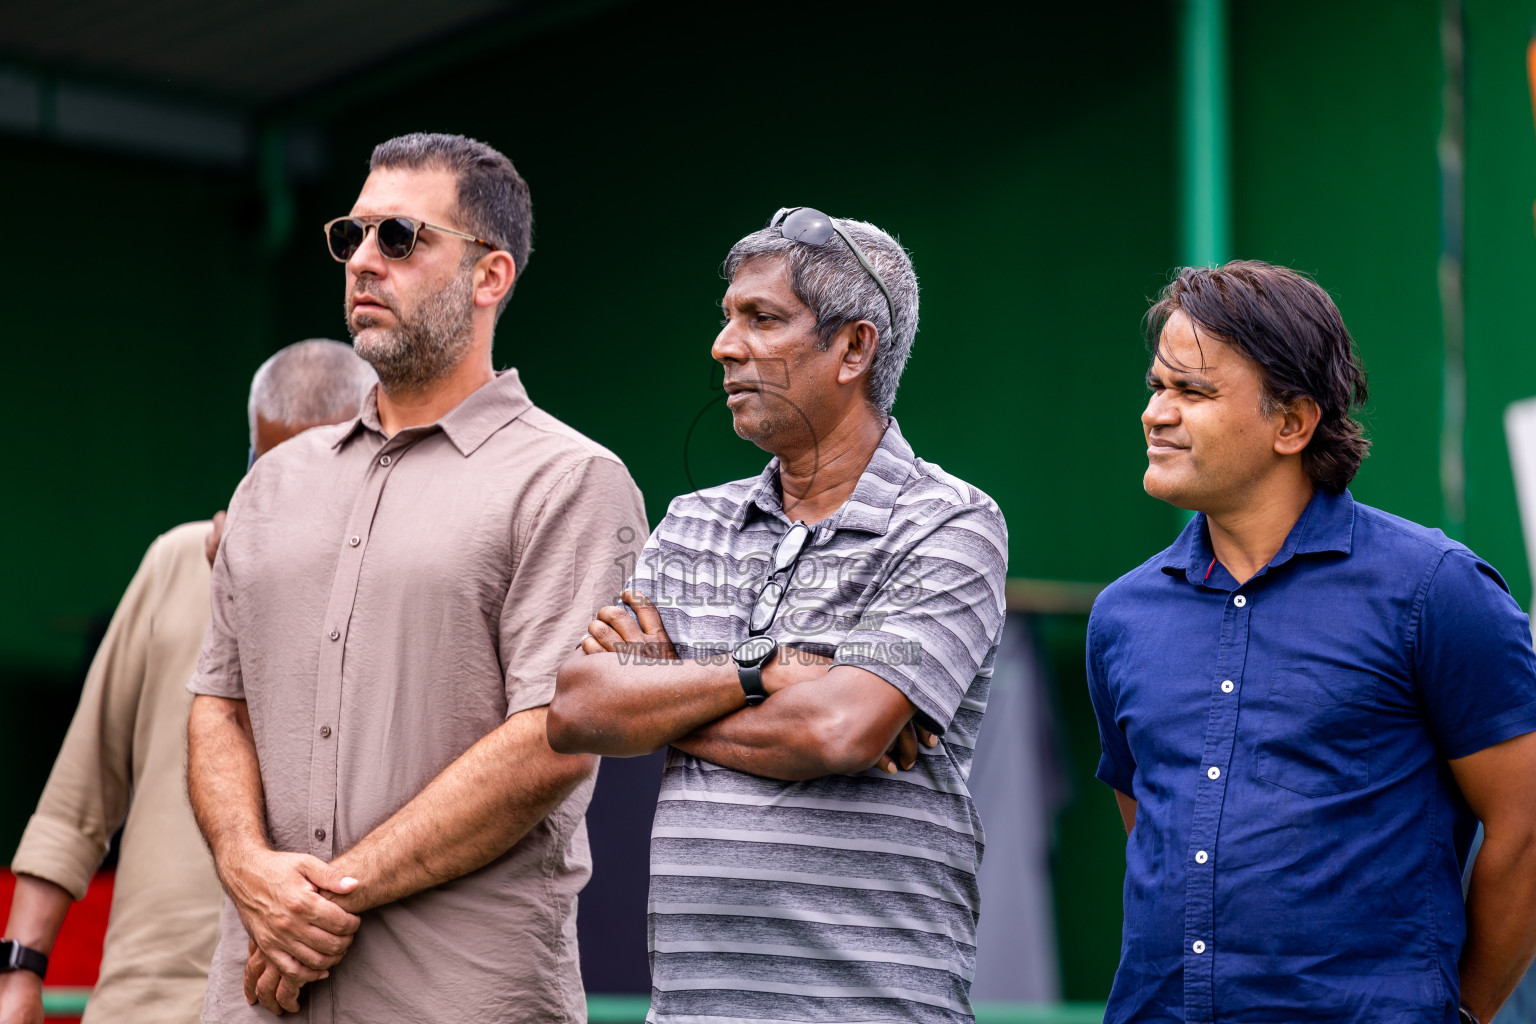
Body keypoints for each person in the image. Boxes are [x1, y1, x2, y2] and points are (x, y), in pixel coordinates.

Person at [186, 132, 647, 1023]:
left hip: (456, 997)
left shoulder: (570, 480)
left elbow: (552, 737)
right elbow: (218, 704)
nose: (362, 260)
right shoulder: (273, 483)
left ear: (491, 276)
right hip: (257, 996)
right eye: (350, 236)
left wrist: (323, 897)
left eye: (399, 238)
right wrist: (246, 866)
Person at [548, 207, 1009, 1023]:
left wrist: (661, 701)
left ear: (854, 348)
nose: (725, 346)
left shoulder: (949, 522)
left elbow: (835, 732)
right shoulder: (694, 520)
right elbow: (580, 707)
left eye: (761, 318)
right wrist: (762, 672)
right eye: (728, 319)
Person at [1087, 260, 1536, 1024]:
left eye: (1192, 391)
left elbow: (1526, 827)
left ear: (1292, 423)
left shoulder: (1434, 591)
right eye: (1157, 386)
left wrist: (1460, 1011)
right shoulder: (1123, 616)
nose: (1156, 413)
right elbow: (1153, 825)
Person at [0, 340, 375, 1024]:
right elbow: (76, 801)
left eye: (314, 472)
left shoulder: (397, 593)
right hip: (144, 1004)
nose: (283, 493)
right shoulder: (177, 563)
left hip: (302, 1003)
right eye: (269, 469)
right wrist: (19, 974)